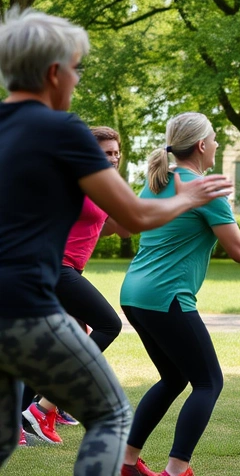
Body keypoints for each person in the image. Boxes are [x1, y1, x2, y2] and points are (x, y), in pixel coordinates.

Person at [0, 8, 232, 476]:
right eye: (76, 68)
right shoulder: (62, 130)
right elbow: (135, 216)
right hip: (27, 305)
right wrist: (189, 198)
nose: (76, 80)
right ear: (53, 72)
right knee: (110, 414)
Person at [118, 112, 240, 476]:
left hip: (135, 294)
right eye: (214, 139)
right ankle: (176, 469)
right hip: (166, 296)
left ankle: (126, 463)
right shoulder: (204, 189)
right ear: (201, 145)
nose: (216, 145)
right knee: (208, 382)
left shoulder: (158, 181)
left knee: (173, 378)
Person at [21, 126, 133, 445]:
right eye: (106, 152)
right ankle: (44, 405)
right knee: (108, 325)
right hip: (54, 268)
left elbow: (120, 229)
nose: (113, 158)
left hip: (67, 270)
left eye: (116, 152)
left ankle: (32, 413)